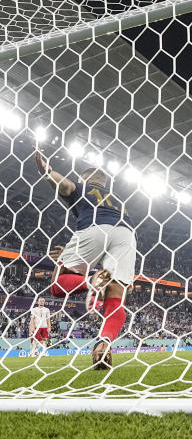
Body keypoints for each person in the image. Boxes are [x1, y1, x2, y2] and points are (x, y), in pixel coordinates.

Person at [36, 151, 135, 370]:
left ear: (84, 179)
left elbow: (66, 187)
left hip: (94, 227)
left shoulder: (84, 187)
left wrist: (49, 172)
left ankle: (90, 282)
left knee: (57, 283)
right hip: (126, 234)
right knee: (116, 296)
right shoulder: (119, 201)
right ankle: (104, 343)